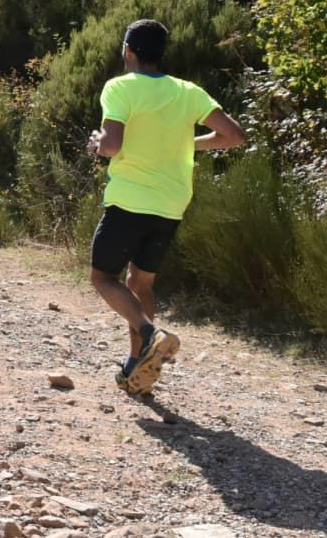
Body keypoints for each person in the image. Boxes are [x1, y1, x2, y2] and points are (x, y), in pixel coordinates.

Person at [86, 19, 245, 395]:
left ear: (128, 51)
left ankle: (149, 333)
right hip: (171, 204)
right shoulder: (188, 92)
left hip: (130, 200)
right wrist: (188, 145)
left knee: (103, 278)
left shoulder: (120, 87)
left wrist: (96, 144)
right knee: (141, 283)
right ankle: (137, 367)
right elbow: (234, 136)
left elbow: (110, 145)